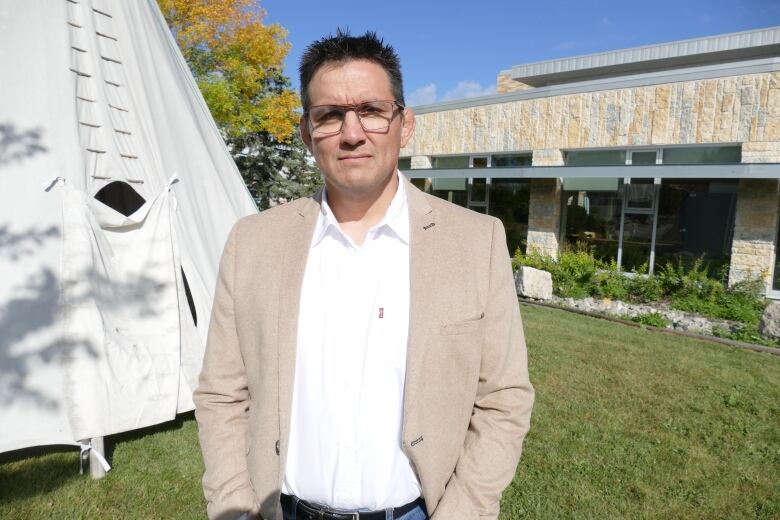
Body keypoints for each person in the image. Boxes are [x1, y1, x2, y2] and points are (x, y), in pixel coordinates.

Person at [194, 29, 534, 520]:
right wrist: (233, 508)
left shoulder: (475, 242)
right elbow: (222, 395)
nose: (352, 133)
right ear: (307, 132)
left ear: (405, 123)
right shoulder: (252, 244)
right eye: (330, 115)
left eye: (372, 111)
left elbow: (504, 397)